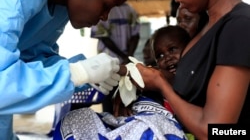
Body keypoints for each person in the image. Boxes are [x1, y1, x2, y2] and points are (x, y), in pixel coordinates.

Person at [0, 0, 127, 139]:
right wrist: (76, 73)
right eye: (106, 6)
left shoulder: (60, 10)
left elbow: (31, 57)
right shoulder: (12, 4)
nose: (105, 16)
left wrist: (86, 74)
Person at [134, 0, 250, 139]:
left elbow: (215, 130)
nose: (176, 0)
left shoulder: (239, 25)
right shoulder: (205, 26)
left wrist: (162, 85)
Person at [52, 25, 191, 140]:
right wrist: (126, 92)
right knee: (75, 119)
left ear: (191, 50)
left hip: (154, 127)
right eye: (160, 56)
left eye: (172, 49)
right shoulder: (151, 83)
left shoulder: (192, 79)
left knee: (149, 128)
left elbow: (159, 75)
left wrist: (123, 70)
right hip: (126, 125)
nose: (167, 58)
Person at [90, 2, 140, 113]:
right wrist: (128, 56)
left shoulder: (102, 8)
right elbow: (135, 36)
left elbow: (103, 37)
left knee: (110, 95)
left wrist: (125, 56)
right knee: (123, 95)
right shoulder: (129, 10)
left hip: (108, 62)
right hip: (123, 63)